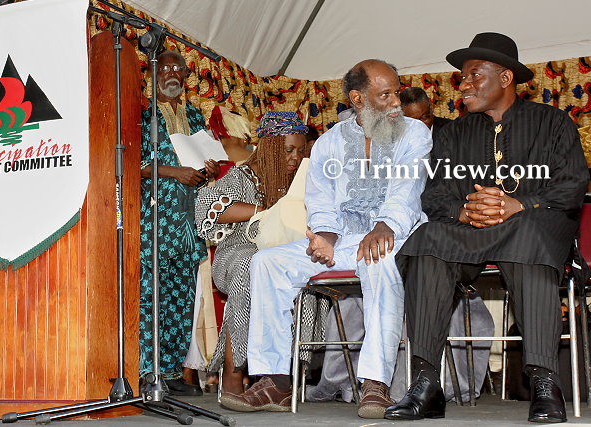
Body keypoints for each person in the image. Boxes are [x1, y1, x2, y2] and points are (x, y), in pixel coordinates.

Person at [385, 33, 588, 423]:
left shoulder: (552, 122)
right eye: (462, 77)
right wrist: (463, 211)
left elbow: (572, 185)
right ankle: (426, 383)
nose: (463, 84)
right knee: (427, 238)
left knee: (529, 235)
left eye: (474, 75)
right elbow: (434, 195)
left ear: (506, 78)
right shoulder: (453, 133)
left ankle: (544, 382)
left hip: (530, 227)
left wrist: (519, 204)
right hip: (471, 232)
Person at [219, 59, 432, 418]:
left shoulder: (414, 133)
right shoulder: (329, 142)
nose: (396, 101)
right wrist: (325, 238)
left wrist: (385, 226)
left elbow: (407, 189)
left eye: (396, 92)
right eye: (385, 95)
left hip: (397, 235)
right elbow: (320, 201)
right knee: (267, 261)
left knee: (377, 256)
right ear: (358, 99)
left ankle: (375, 384)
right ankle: (276, 383)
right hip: (344, 240)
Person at [195, 110, 308, 395]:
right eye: (288, 150)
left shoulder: (301, 179)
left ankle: (279, 376)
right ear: (270, 147)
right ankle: (233, 373)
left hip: (282, 254)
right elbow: (207, 207)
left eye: (300, 151)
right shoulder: (243, 175)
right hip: (237, 253)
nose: (295, 157)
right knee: (252, 265)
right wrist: (267, 211)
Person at [138, 49, 220, 396]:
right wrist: (175, 172)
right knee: (151, 296)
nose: (172, 74)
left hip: (189, 218)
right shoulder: (141, 113)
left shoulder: (195, 115)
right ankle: (147, 372)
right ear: (152, 74)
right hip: (155, 220)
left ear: (186, 76)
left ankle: (171, 373)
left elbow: (206, 158)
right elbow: (134, 163)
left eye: (178, 69)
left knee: (183, 297)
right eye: (165, 68)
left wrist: (210, 168)